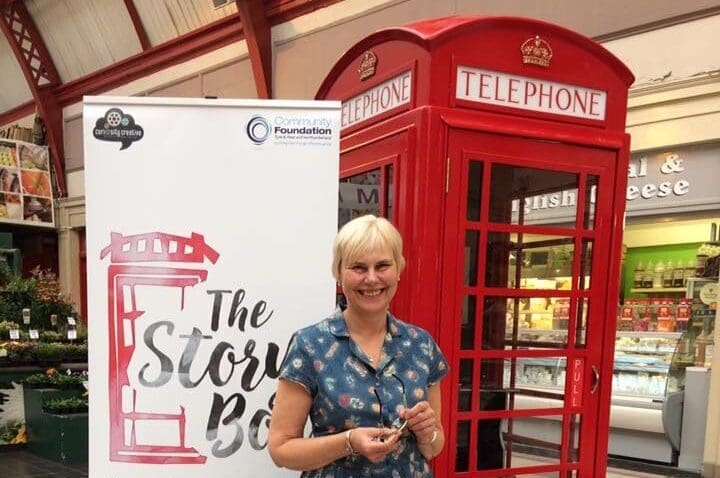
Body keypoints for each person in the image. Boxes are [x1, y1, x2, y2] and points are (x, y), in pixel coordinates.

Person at [268, 215, 449, 477]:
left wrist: (426, 432)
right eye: (359, 268)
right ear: (338, 273)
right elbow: (281, 449)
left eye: (383, 265)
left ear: (399, 269)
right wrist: (349, 442)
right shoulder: (309, 345)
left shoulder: (421, 345)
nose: (372, 278)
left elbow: (434, 447)